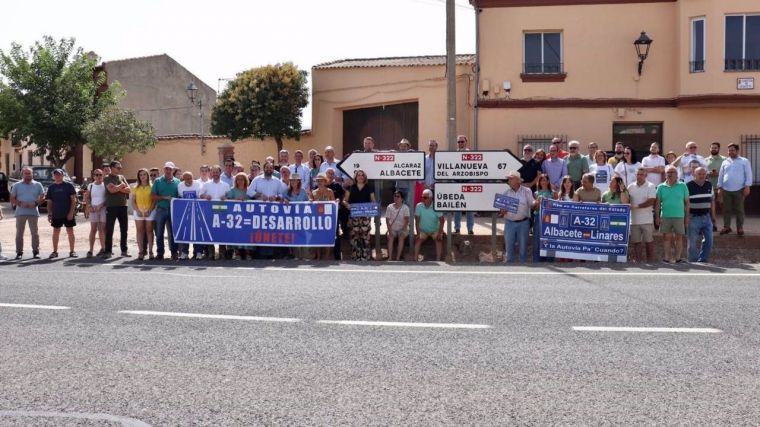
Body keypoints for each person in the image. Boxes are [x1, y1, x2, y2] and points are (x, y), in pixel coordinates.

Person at [655, 165, 690, 263]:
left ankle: (678, 258)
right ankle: (667, 258)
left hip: (679, 216)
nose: (669, 174)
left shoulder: (683, 185)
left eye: (672, 172)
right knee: (666, 237)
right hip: (665, 216)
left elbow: (687, 203)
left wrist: (687, 217)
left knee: (679, 237)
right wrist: (657, 217)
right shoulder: (661, 187)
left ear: (677, 174)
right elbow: (657, 203)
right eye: (668, 172)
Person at [500, 170, 536, 263]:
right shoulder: (506, 193)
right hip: (509, 223)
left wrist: (537, 202)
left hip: (523, 223)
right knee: (509, 246)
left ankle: (522, 267)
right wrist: (502, 211)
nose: (509, 181)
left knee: (523, 247)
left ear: (518, 180)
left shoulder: (526, 191)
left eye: (511, 179)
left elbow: (532, 204)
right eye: (508, 179)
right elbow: (501, 211)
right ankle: (509, 266)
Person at [717, 143, 753, 236]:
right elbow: (721, 175)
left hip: (739, 189)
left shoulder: (744, 161)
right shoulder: (725, 161)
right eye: (729, 150)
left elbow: (748, 174)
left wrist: (747, 186)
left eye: (732, 150)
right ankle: (726, 227)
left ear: (737, 150)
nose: (730, 152)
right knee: (726, 209)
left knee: (739, 210)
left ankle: (740, 228)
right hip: (726, 189)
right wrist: (719, 188)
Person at [10, 166, 45, 259]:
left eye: (29, 173)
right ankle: (19, 252)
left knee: (35, 233)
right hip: (20, 212)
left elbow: (43, 197)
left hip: (33, 212)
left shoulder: (38, 184)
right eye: (26, 173)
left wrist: (36, 203)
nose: (28, 175)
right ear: (22, 174)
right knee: (19, 234)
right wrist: (20, 204)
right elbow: (12, 198)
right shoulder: (16, 185)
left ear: (32, 174)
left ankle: (36, 251)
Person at [343, 169, 375, 261]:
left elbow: (373, 200)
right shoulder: (351, 188)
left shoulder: (369, 187)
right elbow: (344, 200)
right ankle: (355, 256)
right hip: (354, 216)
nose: (360, 177)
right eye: (358, 175)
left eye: (362, 175)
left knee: (365, 236)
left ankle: (365, 256)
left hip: (366, 215)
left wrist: (374, 205)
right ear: (355, 177)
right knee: (354, 236)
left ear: (364, 177)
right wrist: (347, 204)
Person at [45, 169, 78, 258]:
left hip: (68, 213)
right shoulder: (51, 187)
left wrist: (71, 212)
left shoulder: (69, 186)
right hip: (56, 214)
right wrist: (49, 213)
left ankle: (72, 251)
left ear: (63, 175)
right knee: (56, 232)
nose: (57, 176)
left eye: (59, 174)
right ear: (53, 176)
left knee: (70, 231)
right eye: (55, 174)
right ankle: (55, 251)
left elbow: (73, 200)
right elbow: (49, 202)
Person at [201, 165, 232, 259]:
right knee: (210, 231)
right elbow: (200, 195)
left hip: (222, 211)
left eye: (217, 172)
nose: (215, 174)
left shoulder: (226, 185)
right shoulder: (206, 184)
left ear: (220, 173)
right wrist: (205, 196)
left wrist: (226, 198)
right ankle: (211, 253)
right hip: (209, 212)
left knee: (221, 231)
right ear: (211, 173)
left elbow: (230, 196)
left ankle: (222, 252)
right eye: (213, 172)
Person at [152, 161, 180, 260]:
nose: (168, 171)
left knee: (173, 233)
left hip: (173, 211)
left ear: (173, 170)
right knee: (159, 232)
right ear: (164, 169)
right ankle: (160, 253)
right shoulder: (158, 181)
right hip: (161, 210)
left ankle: (174, 253)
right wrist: (164, 197)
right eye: (166, 169)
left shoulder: (178, 182)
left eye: (170, 169)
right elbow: (153, 196)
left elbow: (180, 196)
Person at [628, 169, 657, 263]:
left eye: (641, 174)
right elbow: (626, 200)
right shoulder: (630, 186)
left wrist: (636, 206)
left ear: (646, 175)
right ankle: (638, 262)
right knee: (636, 242)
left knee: (649, 242)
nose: (639, 176)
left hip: (647, 220)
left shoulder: (651, 186)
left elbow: (651, 201)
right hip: (634, 220)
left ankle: (650, 261)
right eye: (638, 174)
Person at [687, 167, 715, 263]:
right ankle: (693, 261)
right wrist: (686, 217)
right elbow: (685, 203)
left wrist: (713, 217)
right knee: (692, 242)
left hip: (707, 217)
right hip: (693, 217)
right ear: (694, 174)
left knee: (709, 240)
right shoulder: (688, 186)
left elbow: (712, 201)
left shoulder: (709, 184)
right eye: (700, 174)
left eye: (704, 174)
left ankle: (703, 260)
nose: (702, 175)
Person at [103, 160, 131, 258]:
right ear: (112, 168)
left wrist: (118, 188)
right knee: (109, 229)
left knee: (124, 229)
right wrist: (121, 186)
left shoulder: (122, 177)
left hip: (123, 206)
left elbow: (129, 190)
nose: (120, 169)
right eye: (118, 167)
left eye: (120, 168)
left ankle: (124, 250)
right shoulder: (107, 178)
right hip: (111, 207)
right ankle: (108, 251)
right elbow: (111, 190)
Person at [176, 171, 203, 260]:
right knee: (185, 232)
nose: (189, 180)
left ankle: (198, 252)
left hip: (197, 211)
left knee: (197, 232)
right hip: (185, 213)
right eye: (187, 179)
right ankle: (184, 252)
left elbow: (200, 196)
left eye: (190, 178)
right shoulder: (180, 186)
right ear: (183, 179)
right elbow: (180, 197)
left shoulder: (198, 184)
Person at [283, 173, 310, 261]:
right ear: (290, 181)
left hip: (302, 217)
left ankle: (304, 255)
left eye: (296, 180)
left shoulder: (303, 191)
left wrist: (311, 201)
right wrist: (284, 200)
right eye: (292, 180)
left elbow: (308, 201)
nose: (294, 181)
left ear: (299, 181)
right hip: (291, 218)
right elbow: (280, 200)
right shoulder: (286, 192)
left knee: (302, 235)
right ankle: (295, 255)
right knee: (293, 236)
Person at [130, 168, 155, 260]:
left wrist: (150, 210)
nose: (143, 176)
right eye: (141, 175)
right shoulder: (135, 187)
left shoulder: (152, 186)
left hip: (150, 212)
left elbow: (154, 200)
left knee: (149, 231)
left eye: (144, 174)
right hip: (138, 212)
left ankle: (151, 251)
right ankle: (140, 251)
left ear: (147, 176)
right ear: (138, 176)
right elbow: (133, 201)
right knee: (139, 232)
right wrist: (137, 210)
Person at [413, 188, 444, 261]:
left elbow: (442, 221)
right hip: (423, 230)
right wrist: (418, 233)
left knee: (438, 240)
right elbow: (417, 221)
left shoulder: (436, 206)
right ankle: (415, 259)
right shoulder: (418, 206)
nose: (423, 199)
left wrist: (439, 233)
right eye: (422, 197)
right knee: (418, 240)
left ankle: (438, 259)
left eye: (425, 197)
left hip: (435, 230)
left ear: (431, 198)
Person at [310, 172, 335, 260]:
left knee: (328, 237)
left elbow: (333, 205)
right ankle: (318, 256)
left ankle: (327, 256)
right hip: (317, 218)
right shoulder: (313, 192)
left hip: (327, 218)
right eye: (318, 181)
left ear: (325, 181)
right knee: (317, 237)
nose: (320, 182)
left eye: (321, 181)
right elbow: (311, 205)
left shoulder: (330, 191)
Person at [226, 173, 251, 260]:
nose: (240, 181)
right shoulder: (232, 190)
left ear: (245, 180)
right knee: (236, 234)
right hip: (235, 217)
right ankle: (237, 253)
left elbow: (255, 200)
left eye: (242, 179)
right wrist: (235, 200)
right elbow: (226, 199)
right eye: (238, 179)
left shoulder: (249, 190)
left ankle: (248, 253)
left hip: (247, 216)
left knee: (247, 234)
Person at [84, 169, 107, 258]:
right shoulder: (91, 185)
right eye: (96, 175)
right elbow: (87, 197)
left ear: (103, 175)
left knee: (102, 230)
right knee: (93, 229)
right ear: (93, 176)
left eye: (100, 175)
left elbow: (107, 198)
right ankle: (90, 250)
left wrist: (101, 205)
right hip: (93, 209)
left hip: (103, 209)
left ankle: (103, 249)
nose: (98, 176)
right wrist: (89, 205)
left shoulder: (105, 185)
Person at [454, 135, 475, 235]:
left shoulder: (471, 153)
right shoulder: (454, 154)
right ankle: (457, 228)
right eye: (459, 142)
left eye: (462, 142)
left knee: (469, 207)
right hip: (457, 182)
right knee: (457, 207)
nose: (460, 144)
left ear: (466, 142)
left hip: (468, 182)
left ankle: (470, 229)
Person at [385, 190, 410, 261]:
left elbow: (407, 220)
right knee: (390, 237)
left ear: (402, 198)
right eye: (394, 196)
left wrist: (403, 230)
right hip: (392, 228)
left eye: (398, 196)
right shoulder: (389, 207)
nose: (396, 197)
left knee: (401, 237)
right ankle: (390, 257)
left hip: (403, 228)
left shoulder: (405, 207)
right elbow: (387, 220)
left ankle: (398, 257)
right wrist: (389, 231)